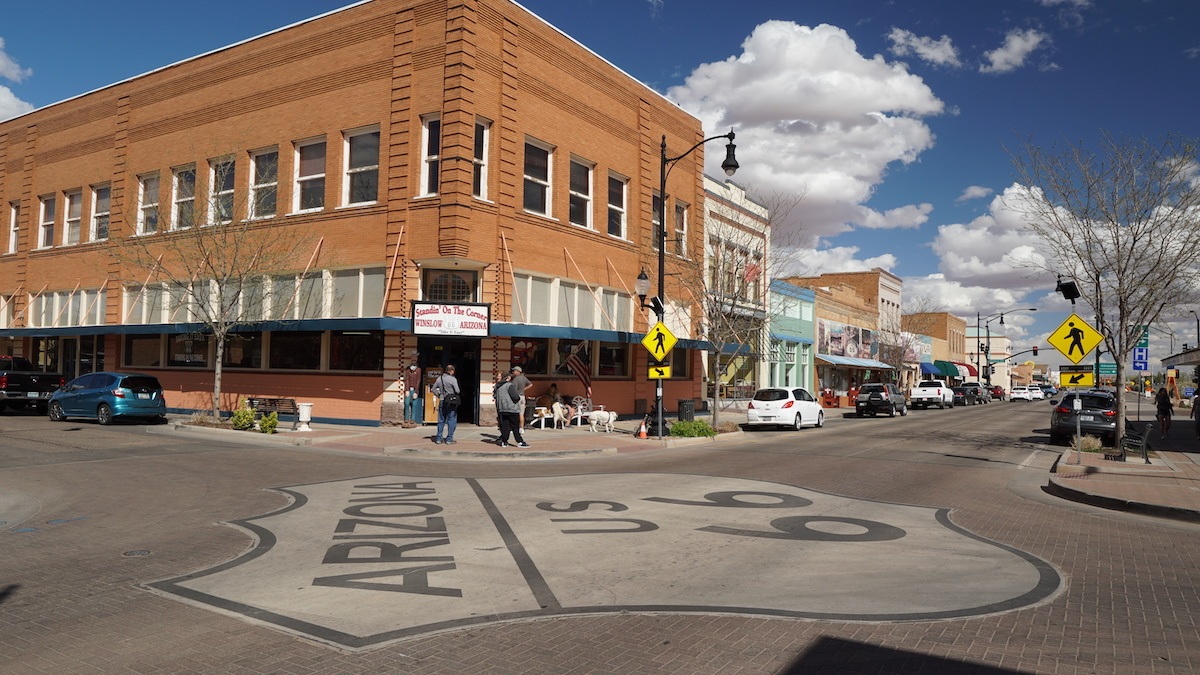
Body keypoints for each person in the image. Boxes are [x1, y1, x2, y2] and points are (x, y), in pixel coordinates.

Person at [494, 372, 529, 448]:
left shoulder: (497, 386)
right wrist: (518, 399)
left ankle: (504, 441)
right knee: (515, 427)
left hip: (502, 409)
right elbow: (515, 397)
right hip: (512, 409)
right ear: (508, 378)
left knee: (505, 426)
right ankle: (520, 441)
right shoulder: (509, 385)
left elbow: (495, 397)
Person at [431, 364, 460, 444]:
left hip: (442, 400)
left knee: (441, 420)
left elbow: (433, 389)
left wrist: (439, 395)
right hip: (451, 402)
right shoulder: (453, 379)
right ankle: (449, 439)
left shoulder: (439, 379)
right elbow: (457, 390)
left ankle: (439, 438)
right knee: (451, 420)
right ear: (451, 371)